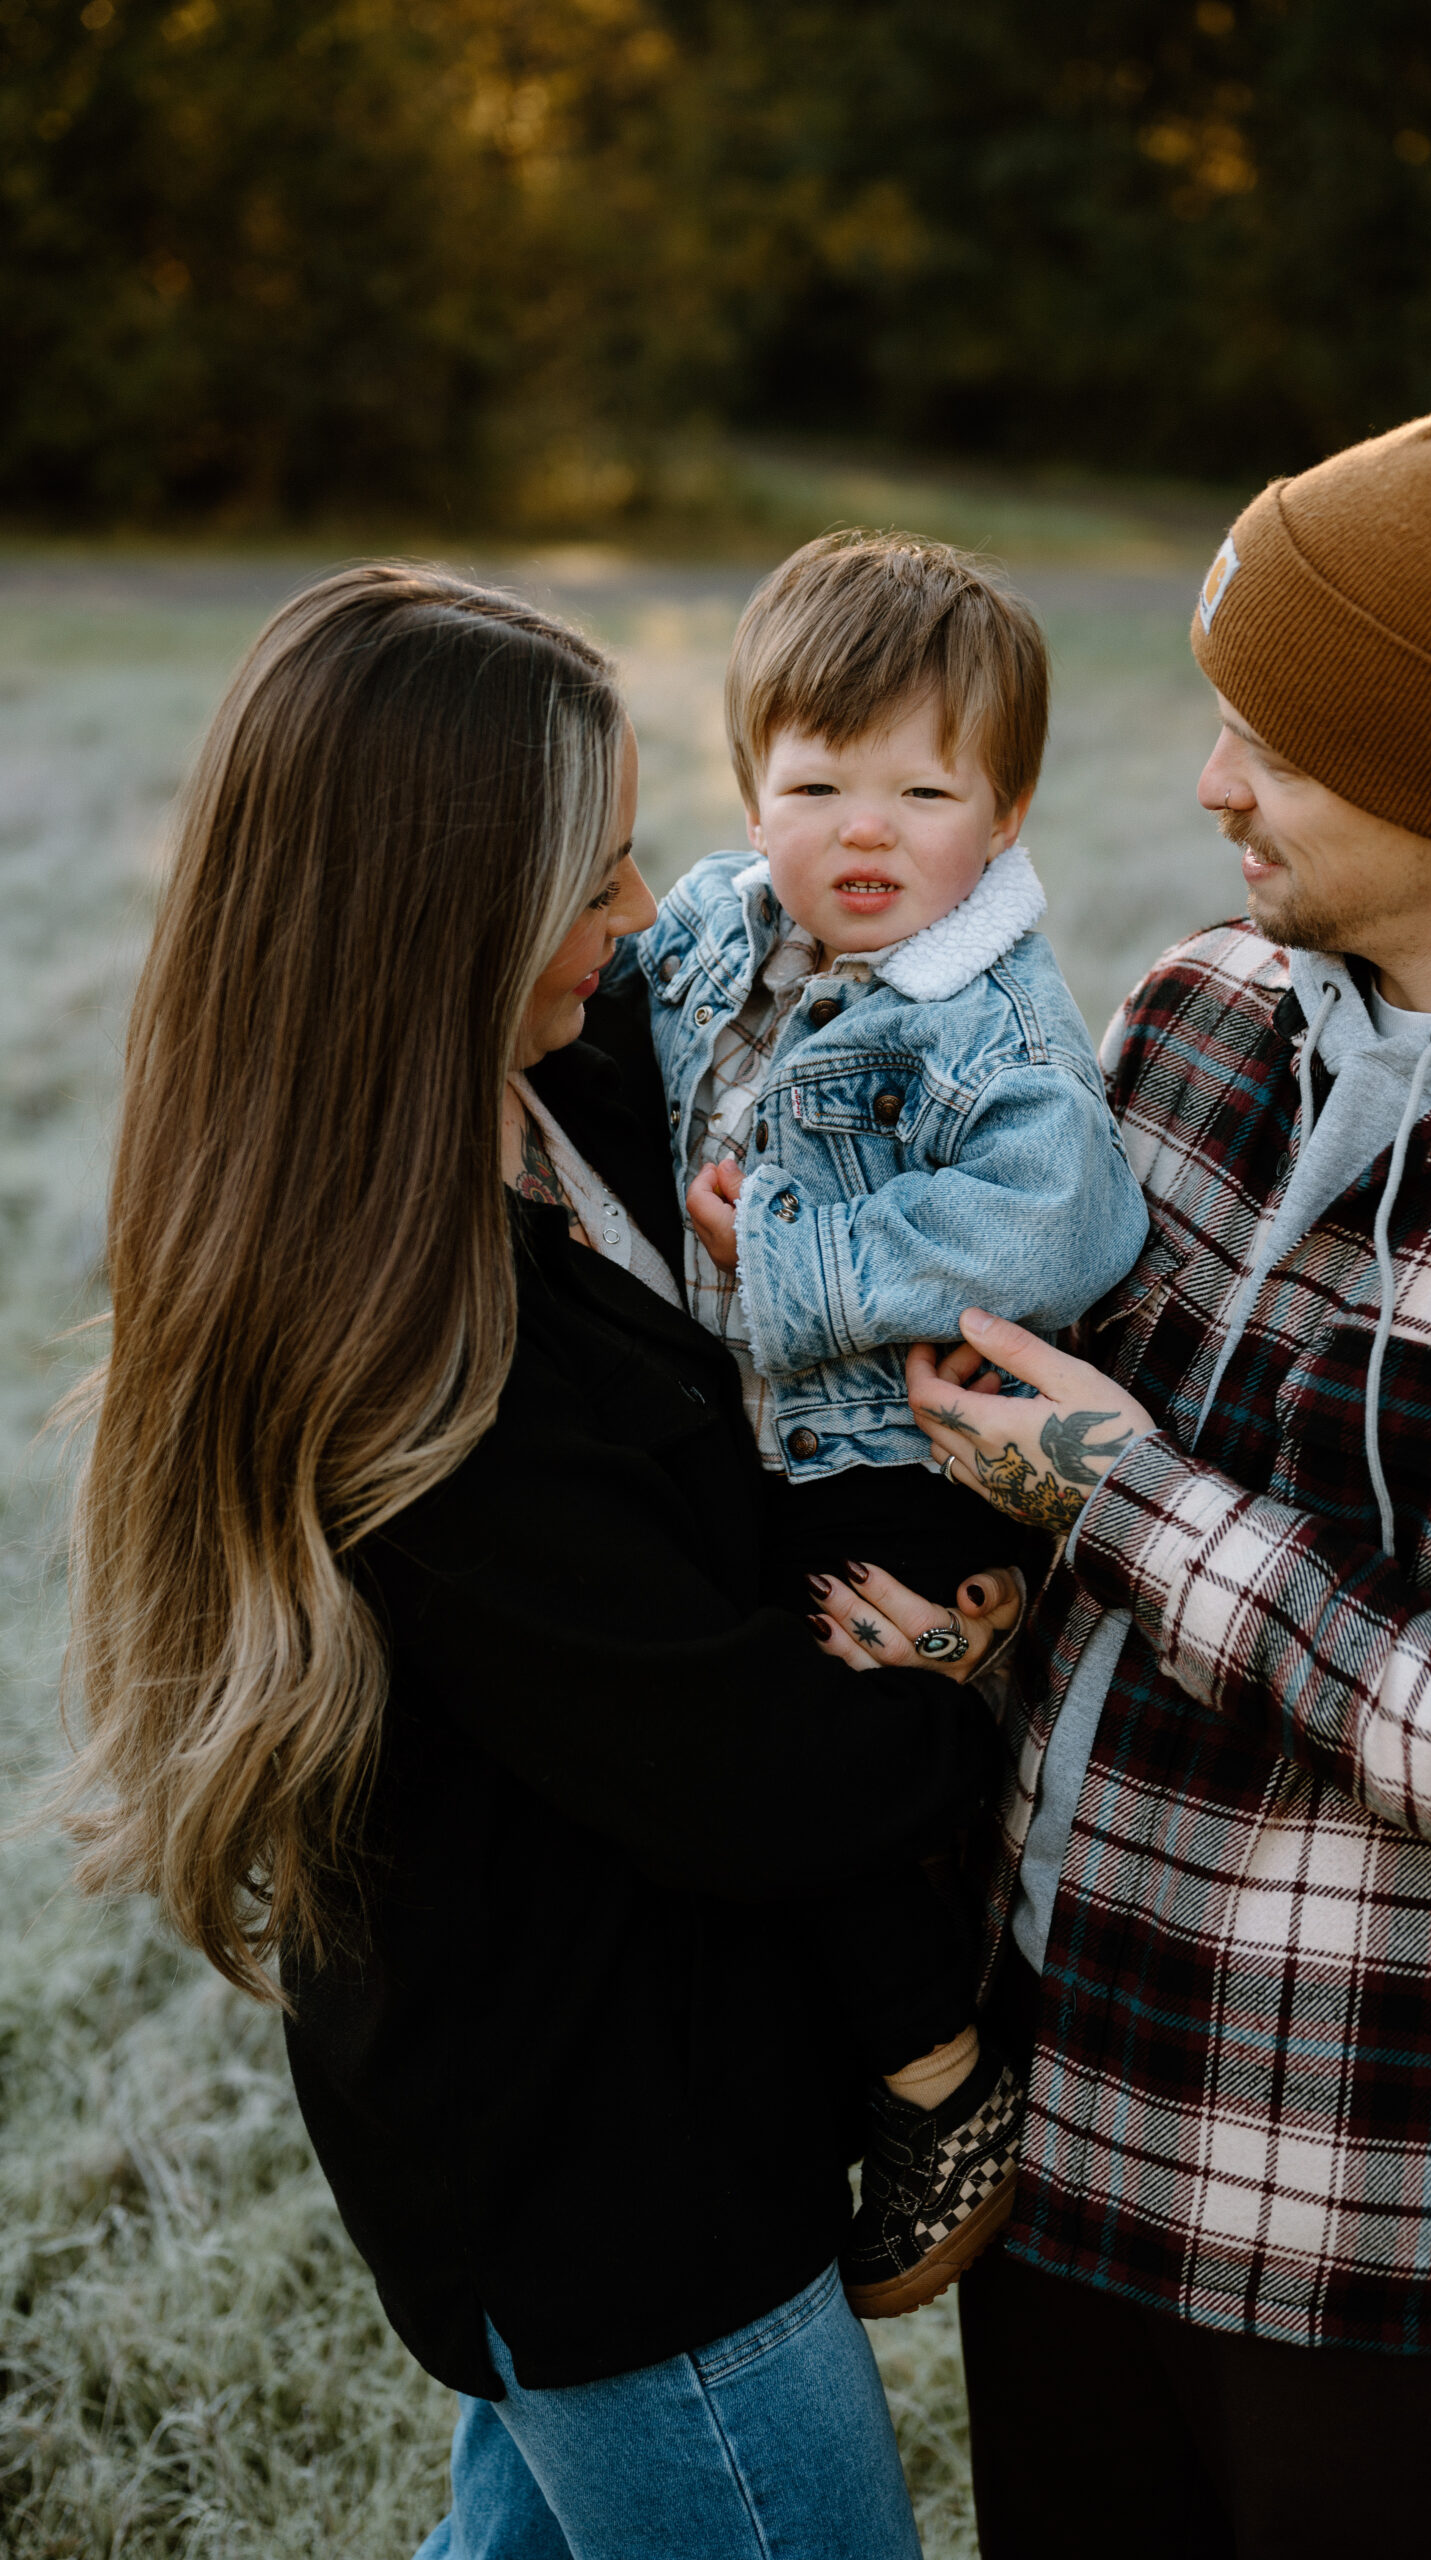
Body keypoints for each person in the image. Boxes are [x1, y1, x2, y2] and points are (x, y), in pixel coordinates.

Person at [815, 367, 1431, 2557]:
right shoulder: (1201, 1002)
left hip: (1355, 2224)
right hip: (1054, 2126)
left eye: (1276, 739)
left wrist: (1121, 1490)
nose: (1211, 783)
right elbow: (1024, 1419)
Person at [56, 561, 1023, 2560]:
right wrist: (993, 1596)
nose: (636, 912)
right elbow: (761, 1766)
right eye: (586, 878)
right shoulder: (409, 1362)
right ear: (433, 925)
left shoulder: (551, 1089)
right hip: (612, 2169)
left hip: (647, 2075)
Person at [614, 529, 1149, 2316]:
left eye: (923, 788)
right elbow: (609, 1034)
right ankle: (855, 2053)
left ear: (1002, 815)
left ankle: (943, 2077)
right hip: (755, 1442)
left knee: (821, 1752)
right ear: (749, 779)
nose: (863, 830)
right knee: (736, 1748)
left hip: (904, 1465)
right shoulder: (713, 924)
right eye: (814, 780)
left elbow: (1062, 1224)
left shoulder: (991, 1021)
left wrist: (794, 1249)